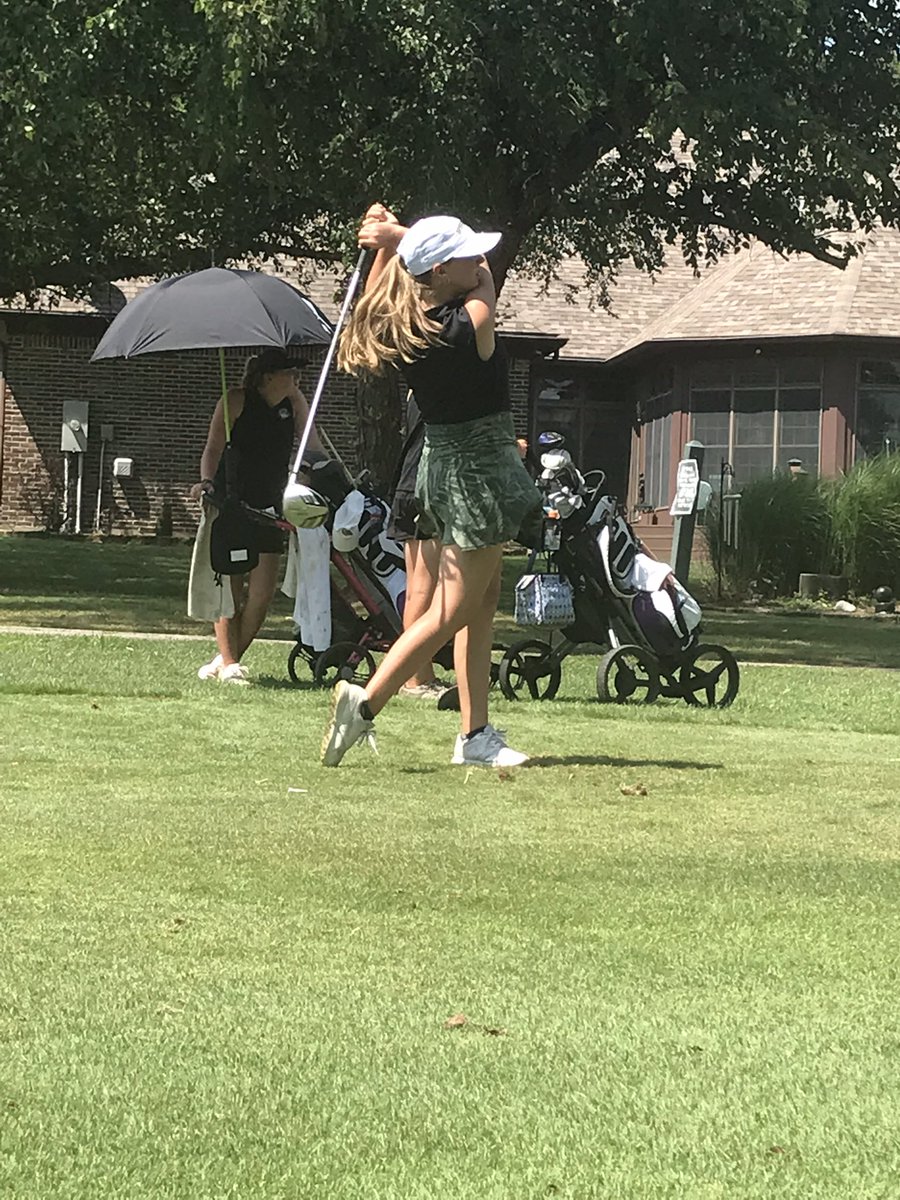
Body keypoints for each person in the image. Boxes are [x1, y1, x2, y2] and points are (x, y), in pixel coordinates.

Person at [322, 205, 540, 767]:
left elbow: (390, 294)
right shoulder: (468, 323)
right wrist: (398, 238)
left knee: (481, 602)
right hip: (478, 470)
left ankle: (476, 734)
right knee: (453, 609)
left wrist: (390, 248)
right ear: (441, 270)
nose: (480, 257)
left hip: (445, 466)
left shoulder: (407, 323)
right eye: (466, 252)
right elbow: (486, 278)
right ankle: (363, 702)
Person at [190, 347, 320, 683]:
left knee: (261, 595)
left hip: (270, 506)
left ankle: (226, 660)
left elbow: (313, 446)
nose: (297, 379)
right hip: (231, 503)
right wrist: (206, 482)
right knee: (230, 588)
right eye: (290, 373)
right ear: (267, 377)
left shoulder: (295, 404)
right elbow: (213, 448)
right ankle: (231, 663)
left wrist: (311, 472)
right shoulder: (235, 400)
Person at [388, 390, 451, 700]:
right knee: (422, 591)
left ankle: (418, 675)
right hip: (423, 489)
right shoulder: (440, 388)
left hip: (411, 487)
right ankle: (416, 679)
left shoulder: (418, 386)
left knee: (418, 589)